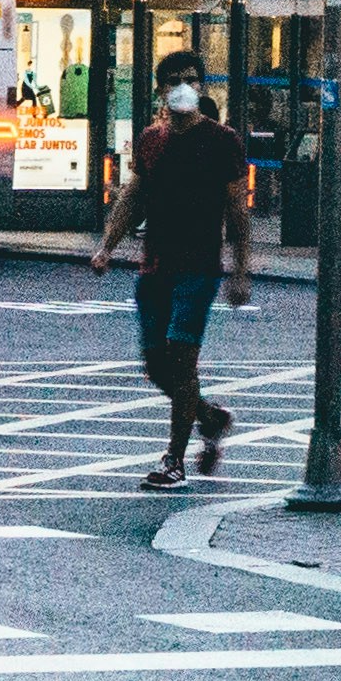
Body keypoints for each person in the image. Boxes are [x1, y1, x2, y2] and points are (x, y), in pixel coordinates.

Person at [87, 71, 255, 490]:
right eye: (174, 81)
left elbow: (238, 211)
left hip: (198, 266)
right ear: (161, 90)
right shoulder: (151, 141)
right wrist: (108, 246)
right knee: (157, 365)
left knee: (182, 357)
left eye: (190, 80)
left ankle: (174, 459)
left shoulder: (222, 141)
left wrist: (240, 269)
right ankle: (211, 418)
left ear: (201, 90)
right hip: (155, 264)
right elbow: (133, 196)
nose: (182, 87)